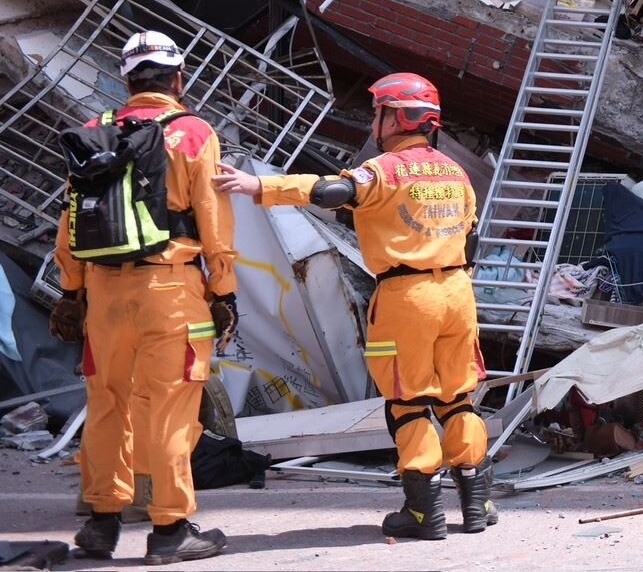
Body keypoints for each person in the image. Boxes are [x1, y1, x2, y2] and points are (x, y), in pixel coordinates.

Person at [213, 72, 496, 540]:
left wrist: (259, 187)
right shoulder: (455, 173)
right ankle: (478, 501)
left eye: (379, 111)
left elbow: (330, 192)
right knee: (456, 397)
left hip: (408, 299)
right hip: (458, 294)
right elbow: (473, 239)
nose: (373, 120)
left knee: (408, 403)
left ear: (397, 117)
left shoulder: (384, 169)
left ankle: (425, 512)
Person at [49, 31, 236, 565]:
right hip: (170, 289)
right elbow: (213, 218)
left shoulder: (93, 132)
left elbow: (70, 220)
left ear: (128, 80)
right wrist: (223, 290)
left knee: (107, 402)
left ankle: (102, 526)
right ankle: (171, 531)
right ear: (178, 79)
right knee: (170, 410)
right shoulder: (195, 132)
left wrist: (71, 292)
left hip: (104, 292)